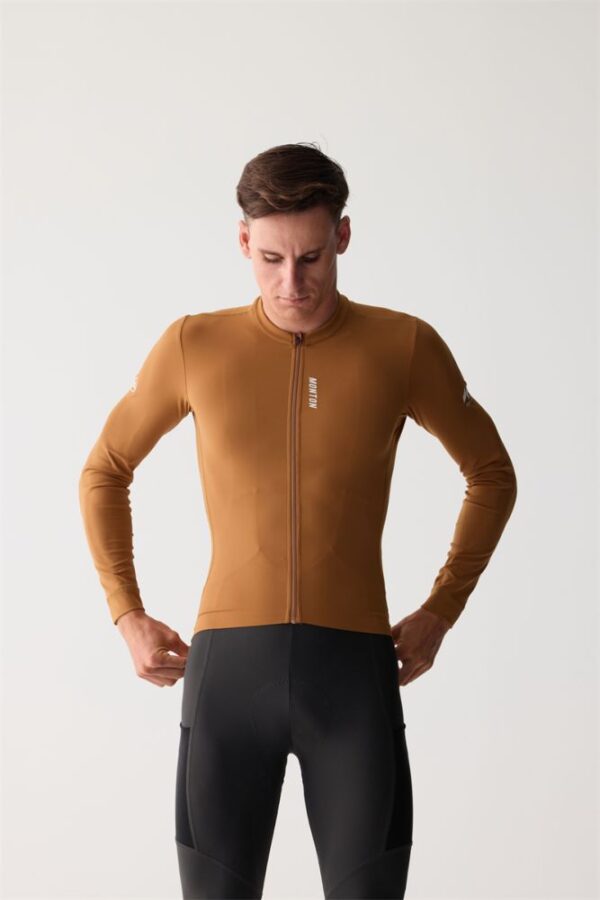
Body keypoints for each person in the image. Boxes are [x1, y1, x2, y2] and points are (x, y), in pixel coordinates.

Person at [78, 142, 518, 899]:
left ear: (342, 235)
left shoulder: (403, 345)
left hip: (353, 681)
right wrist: (127, 613)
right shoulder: (194, 345)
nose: (292, 283)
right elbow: (104, 470)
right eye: (271, 259)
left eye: (311, 257)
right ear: (243, 241)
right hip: (227, 684)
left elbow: (492, 474)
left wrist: (442, 609)